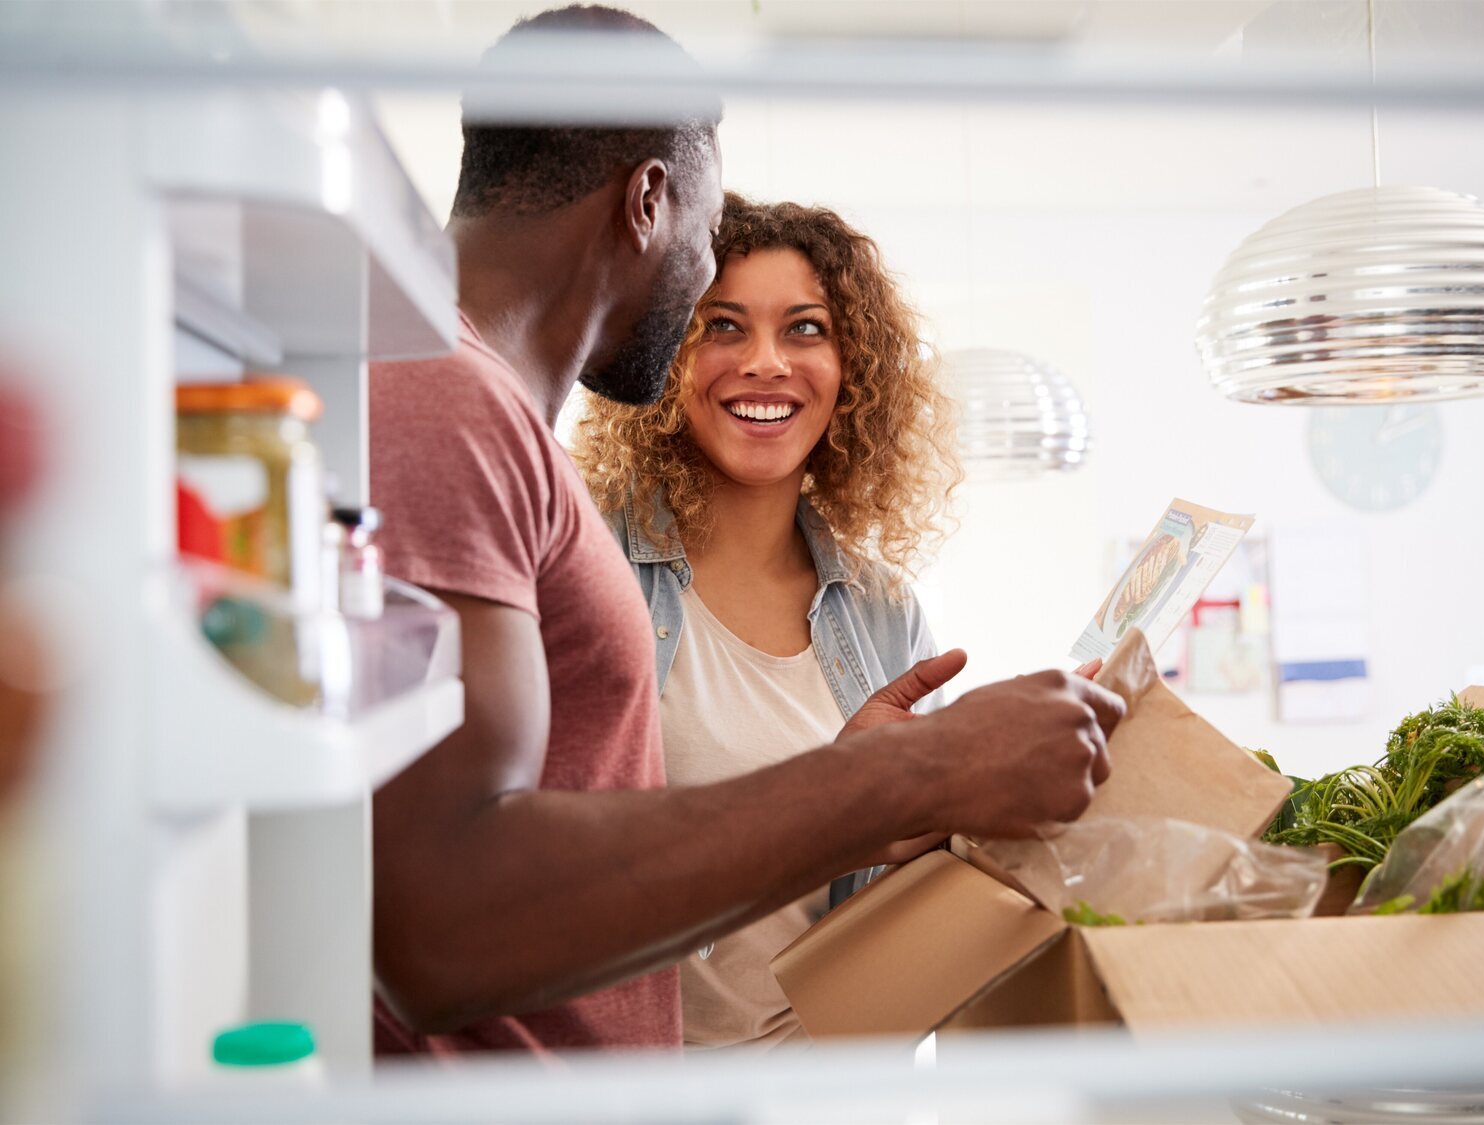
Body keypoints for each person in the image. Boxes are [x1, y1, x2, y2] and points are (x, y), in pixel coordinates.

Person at [369, 4, 1124, 1058]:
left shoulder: (467, 405)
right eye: (709, 244)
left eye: (801, 330)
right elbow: (437, 928)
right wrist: (913, 773)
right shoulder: (443, 398)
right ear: (649, 201)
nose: (713, 310)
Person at [573, 194, 961, 1049]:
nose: (765, 363)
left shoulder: (883, 611)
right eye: (722, 326)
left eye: (806, 329)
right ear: (668, 352)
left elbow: (922, 894)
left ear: (852, 366)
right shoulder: (584, 562)